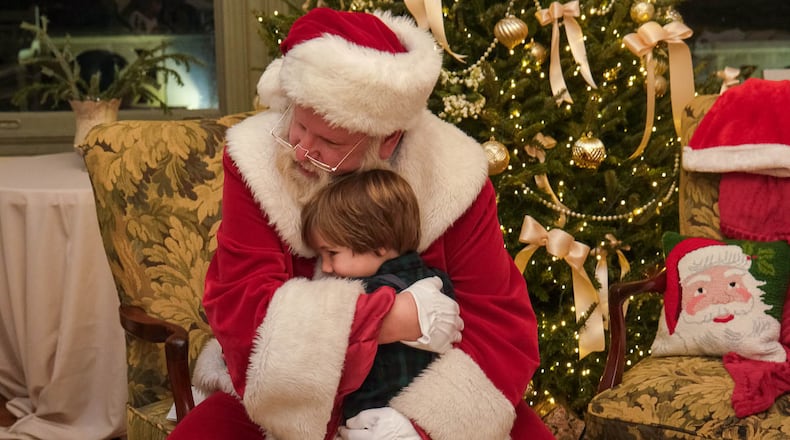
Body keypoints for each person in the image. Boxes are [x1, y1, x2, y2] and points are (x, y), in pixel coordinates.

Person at [169, 7, 553, 440]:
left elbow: (500, 324)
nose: (299, 151)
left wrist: (419, 425)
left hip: (421, 383)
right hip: (286, 398)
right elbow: (241, 304)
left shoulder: (453, 175)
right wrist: (387, 319)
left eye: (328, 142)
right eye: (298, 125)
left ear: (386, 140)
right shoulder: (257, 158)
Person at [301, 169, 459, 423]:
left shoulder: (365, 296)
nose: (326, 268)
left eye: (332, 254)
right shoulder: (439, 281)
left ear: (378, 245)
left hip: (369, 423)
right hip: (427, 417)